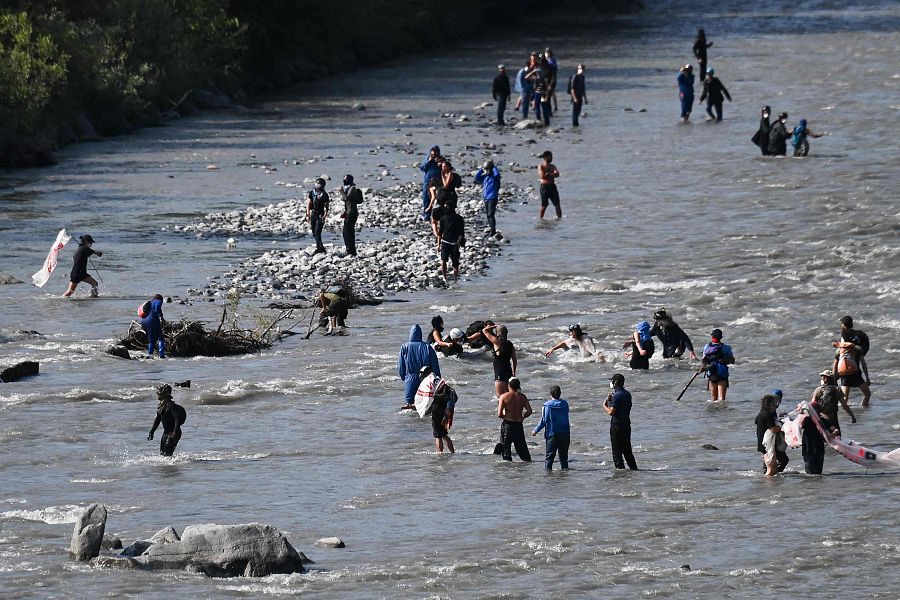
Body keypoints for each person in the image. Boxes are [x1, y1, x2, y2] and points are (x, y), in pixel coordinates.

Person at [398, 325, 441, 409]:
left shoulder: (404, 347)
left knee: (410, 405)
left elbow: (401, 365)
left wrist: (403, 377)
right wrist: (437, 380)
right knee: (425, 403)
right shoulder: (428, 347)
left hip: (410, 379)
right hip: (425, 379)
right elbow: (435, 366)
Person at [603, 373, 637, 470]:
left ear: (615, 383)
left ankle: (620, 473)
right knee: (627, 451)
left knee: (617, 452)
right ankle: (634, 470)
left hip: (617, 426)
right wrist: (611, 401)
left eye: (612, 381)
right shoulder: (627, 394)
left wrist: (605, 405)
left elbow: (611, 412)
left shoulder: (617, 396)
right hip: (626, 425)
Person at [532, 385, 570, 470]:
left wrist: (535, 430)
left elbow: (543, 421)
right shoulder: (565, 404)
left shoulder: (547, 405)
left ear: (550, 394)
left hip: (552, 434)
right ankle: (565, 478)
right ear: (560, 393)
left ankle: (548, 479)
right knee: (564, 458)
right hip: (565, 433)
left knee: (549, 458)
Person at [800, 395, 839, 475]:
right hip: (811, 449)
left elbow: (833, 428)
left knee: (812, 474)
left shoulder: (821, 420)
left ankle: (814, 487)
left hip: (813, 449)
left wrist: (835, 432)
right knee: (815, 473)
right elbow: (798, 424)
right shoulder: (806, 419)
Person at [497, 377, 533, 462]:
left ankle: (509, 472)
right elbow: (529, 411)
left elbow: (499, 414)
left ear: (509, 385)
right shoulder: (522, 397)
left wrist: (505, 416)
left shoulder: (504, 396)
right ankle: (526, 470)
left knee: (506, 453)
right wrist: (523, 416)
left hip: (507, 425)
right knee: (524, 453)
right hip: (518, 425)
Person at [147, 384, 187, 457]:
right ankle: (166, 468)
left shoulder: (170, 405)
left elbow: (177, 418)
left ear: (164, 394)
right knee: (162, 455)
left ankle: (171, 468)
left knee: (168, 455)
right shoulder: (161, 406)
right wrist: (152, 431)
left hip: (174, 432)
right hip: (166, 432)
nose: (157, 395)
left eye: (158, 393)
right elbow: (158, 419)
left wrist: (174, 432)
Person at [833, 333, 871, 408]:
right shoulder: (857, 349)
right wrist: (867, 377)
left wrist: (834, 379)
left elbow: (834, 366)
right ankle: (864, 410)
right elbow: (863, 364)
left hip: (844, 375)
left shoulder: (839, 350)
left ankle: (844, 416)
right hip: (855, 375)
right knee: (867, 395)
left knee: (844, 398)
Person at [755, 391, 789, 476]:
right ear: (770, 403)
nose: (776, 404)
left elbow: (756, 421)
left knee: (768, 461)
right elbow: (773, 429)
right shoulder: (767, 414)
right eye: (775, 402)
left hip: (762, 441)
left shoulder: (763, 411)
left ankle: (768, 474)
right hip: (768, 442)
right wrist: (784, 425)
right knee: (784, 460)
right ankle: (774, 475)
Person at [483, 323, 517, 398]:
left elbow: (484, 330)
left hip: (500, 373)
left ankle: (501, 410)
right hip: (509, 372)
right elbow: (514, 360)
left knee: (500, 397)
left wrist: (494, 326)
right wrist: (514, 373)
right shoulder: (510, 344)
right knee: (510, 396)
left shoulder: (497, 342)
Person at [701, 328, 735, 402]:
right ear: (721, 338)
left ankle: (714, 413)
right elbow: (732, 361)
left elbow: (703, 360)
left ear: (712, 337)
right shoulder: (726, 347)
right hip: (722, 373)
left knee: (713, 399)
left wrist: (704, 367)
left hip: (712, 373)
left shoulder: (707, 346)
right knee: (721, 400)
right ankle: (722, 413)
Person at [437, 203, 465, 283]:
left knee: (444, 260)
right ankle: (454, 279)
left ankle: (445, 278)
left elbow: (440, 233)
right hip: (453, 243)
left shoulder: (443, 218)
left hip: (447, 243)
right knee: (454, 263)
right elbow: (461, 234)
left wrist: (438, 245)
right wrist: (458, 243)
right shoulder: (459, 218)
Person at [474, 160, 501, 236]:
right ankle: (492, 229)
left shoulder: (495, 177)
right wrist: (481, 169)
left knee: (490, 214)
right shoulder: (485, 177)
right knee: (488, 215)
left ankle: (493, 230)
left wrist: (493, 167)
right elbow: (476, 178)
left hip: (492, 197)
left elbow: (497, 174)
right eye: (485, 169)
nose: (486, 171)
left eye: (487, 169)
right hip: (486, 197)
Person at [431, 378, 457, 454]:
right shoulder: (448, 389)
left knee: (438, 436)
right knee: (444, 435)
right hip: (445, 413)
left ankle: (440, 455)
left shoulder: (432, 385)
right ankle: (453, 453)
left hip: (437, 413)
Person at [338, 174, 362, 256]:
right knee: (346, 232)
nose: (344, 181)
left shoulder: (352, 188)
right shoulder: (347, 188)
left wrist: (341, 192)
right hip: (348, 212)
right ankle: (350, 249)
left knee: (348, 232)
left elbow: (347, 198)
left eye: (346, 179)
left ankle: (350, 250)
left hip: (352, 213)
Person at [306, 178, 329, 254]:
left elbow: (326, 207)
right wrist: (308, 214)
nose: (316, 185)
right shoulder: (312, 193)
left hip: (320, 214)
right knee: (313, 231)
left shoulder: (325, 195)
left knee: (317, 232)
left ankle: (319, 248)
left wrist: (324, 216)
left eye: (318, 184)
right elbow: (308, 203)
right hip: (313, 213)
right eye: (316, 183)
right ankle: (321, 246)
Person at [419, 145, 442, 220]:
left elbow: (447, 168)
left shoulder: (441, 159)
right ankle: (426, 213)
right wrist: (429, 161)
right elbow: (422, 168)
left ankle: (437, 214)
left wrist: (440, 164)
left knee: (438, 198)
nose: (434, 153)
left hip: (438, 182)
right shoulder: (428, 159)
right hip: (428, 181)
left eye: (435, 152)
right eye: (433, 152)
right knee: (426, 197)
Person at [141, 294, 166, 358]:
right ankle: (162, 355)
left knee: (151, 339)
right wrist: (161, 317)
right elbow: (157, 307)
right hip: (152, 321)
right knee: (161, 338)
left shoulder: (149, 302)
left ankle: (150, 355)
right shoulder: (158, 301)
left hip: (144, 321)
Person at [538, 151, 561, 219]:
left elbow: (557, 174)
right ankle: (541, 219)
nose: (552, 158)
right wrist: (551, 175)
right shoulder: (541, 166)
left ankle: (559, 219)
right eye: (550, 157)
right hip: (544, 187)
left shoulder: (552, 166)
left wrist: (549, 174)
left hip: (552, 187)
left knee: (557, 204)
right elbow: (542, 176)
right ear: (545, 157)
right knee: (544, 205)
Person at [544, 47, 559, 112]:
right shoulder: (546, 60)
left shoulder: (552, 60)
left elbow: (554, 70)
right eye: (545, 52)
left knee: (551, 93)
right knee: (552, 93)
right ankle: (554, 107)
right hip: (547, 78)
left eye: (547, 53)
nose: (546, 54)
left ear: (550, 53)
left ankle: (554, 107)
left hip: (551, 79)